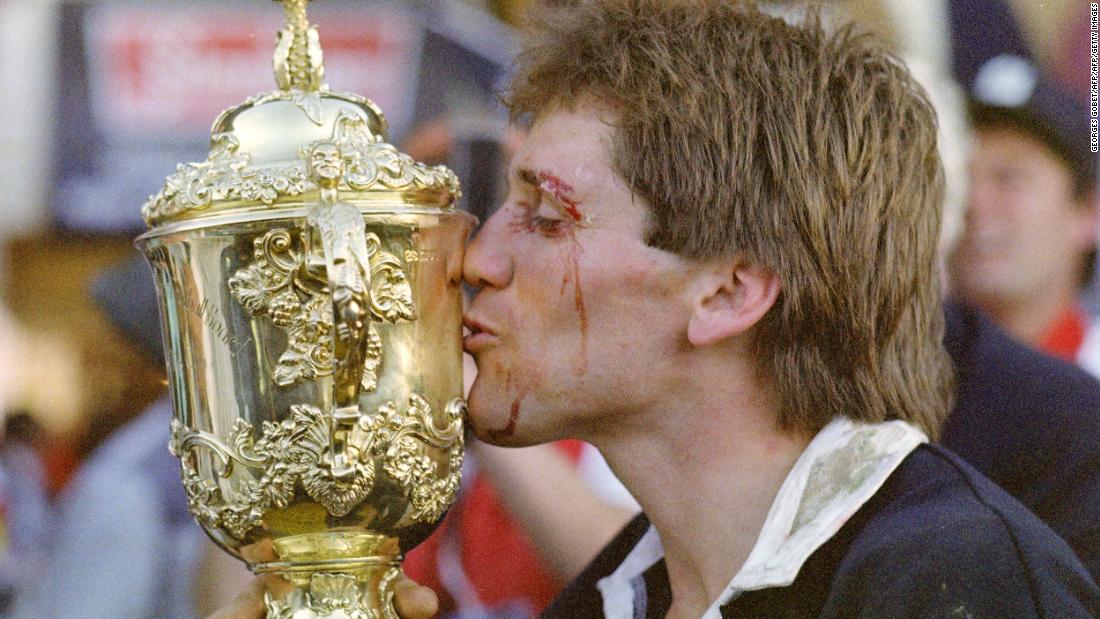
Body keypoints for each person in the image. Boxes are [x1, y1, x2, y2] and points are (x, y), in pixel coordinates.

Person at [218, 1, 1099, 616]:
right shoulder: (620, 592)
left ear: (728, 291)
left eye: (550, 214)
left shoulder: (957, 578)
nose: (479, 259)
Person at [949, 57, 1100, 374]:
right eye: (960, 178)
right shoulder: (902, 383)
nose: (974, 203)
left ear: (1089, 212)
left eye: (1009, 178)